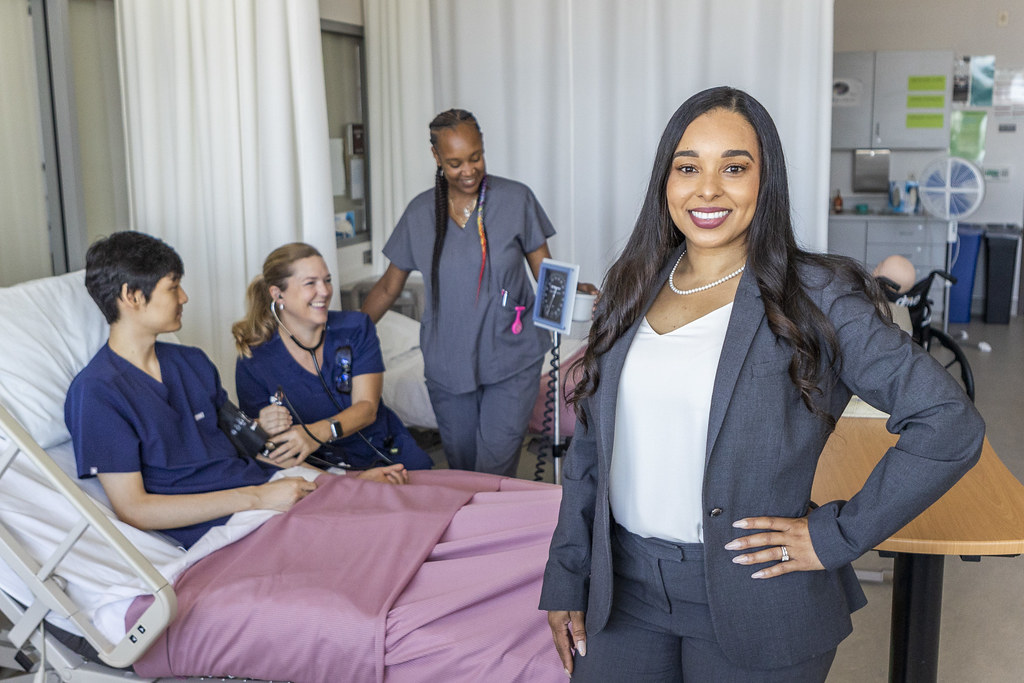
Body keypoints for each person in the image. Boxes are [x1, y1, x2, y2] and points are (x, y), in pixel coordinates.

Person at [539, 87, 985, 681]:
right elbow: (591, 450)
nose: (707, 189)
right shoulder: (632, 284)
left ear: (765, 180)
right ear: (665, 180)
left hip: (757, 595)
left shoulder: (815, 296)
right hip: (623, 591)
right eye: (688, 167)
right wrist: (567, 574)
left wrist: (834, 535)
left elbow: (948, 422)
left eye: (734, 168)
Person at [65, 232, 407, 549]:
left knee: (399, 511)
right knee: (385, 538)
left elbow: (255, 446)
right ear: (132, 296)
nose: (184, 297)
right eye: (173, 287)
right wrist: (258, 498)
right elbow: (134, 509)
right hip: (228, 524)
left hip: (270, 491)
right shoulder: (97, 392)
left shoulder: (192, 362)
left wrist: (348, 484)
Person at [360, 109, 597, 477]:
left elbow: (544, 270)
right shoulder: (420, 213)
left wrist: (572, 290)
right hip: (447, 363)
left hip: (512, 357)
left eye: (475, 157)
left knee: (493, 469)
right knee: (461, 467)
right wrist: (349, 333)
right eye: (455, 163)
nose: (468, 170)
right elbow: (390, 286)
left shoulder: (516, 199)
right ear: (436, 157)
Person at [232, 243, 433, 471]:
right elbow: (260, 442)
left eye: (327, 280)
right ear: (278, 294)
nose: (325, 291)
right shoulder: (255, 359)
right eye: (310, 283)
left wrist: (314, 434)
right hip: (319, 466)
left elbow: (367, 408)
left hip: (385, 449)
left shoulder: (356, 328)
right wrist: (265, 424)